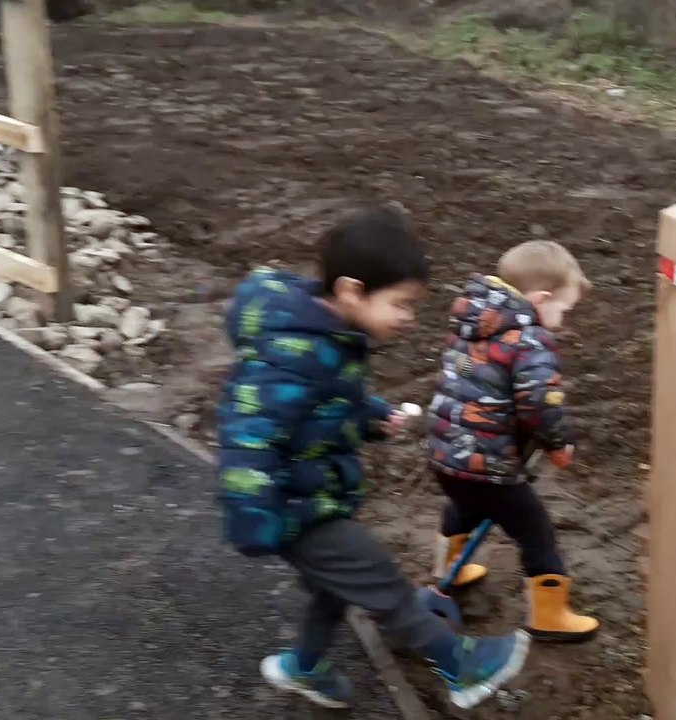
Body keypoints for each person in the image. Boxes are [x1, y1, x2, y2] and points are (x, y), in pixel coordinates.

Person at [217, 205, 529, 710]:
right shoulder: (291, 352)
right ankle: (459, 664)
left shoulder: (327, 335)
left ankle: (306, 667)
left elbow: (325, 399)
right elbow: (249, 434)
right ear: (351, 291)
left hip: (314, 488)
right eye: (401, 305)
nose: (408, 319)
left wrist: (370, 415)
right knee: (382, 583)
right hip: (292, 506)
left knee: (333, 588)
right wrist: (252, 516)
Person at [426, 240, 599, 643]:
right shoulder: (529, 340)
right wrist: (558, 443)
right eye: (562, 309)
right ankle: (550, 618)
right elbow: (539, 403)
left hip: (445, 455)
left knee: (464, 506)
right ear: (540, 299)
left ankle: (450, 568)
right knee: (535, 532)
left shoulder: (471, 325)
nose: (560, 319)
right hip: (491, 466)